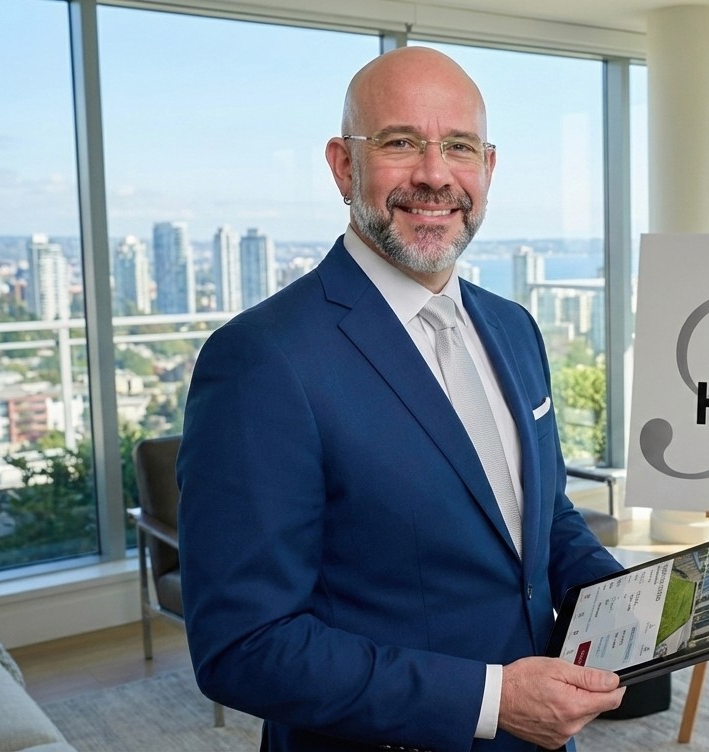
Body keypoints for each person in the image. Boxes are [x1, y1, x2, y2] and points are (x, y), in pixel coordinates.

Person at [176, 46, 626, 752]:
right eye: (400, 142)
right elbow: (245, 645)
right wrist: (492, 699)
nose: (434, 175)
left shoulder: (514, 328)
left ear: (489, 167)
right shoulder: (262, 360)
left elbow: (540, 519)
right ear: (343, 166)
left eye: (459, 146)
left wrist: (627, 601)